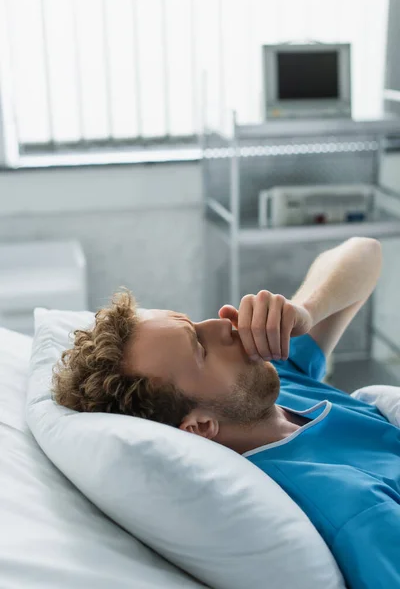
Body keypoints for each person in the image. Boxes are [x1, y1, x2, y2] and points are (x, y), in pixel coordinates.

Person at [53, 236, 400, 589]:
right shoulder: (350, 507)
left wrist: (305, 311)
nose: (221, 321)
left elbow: (365, 251)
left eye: (193, 322)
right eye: (200, 348)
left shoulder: (270, 384)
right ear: (200, 426)